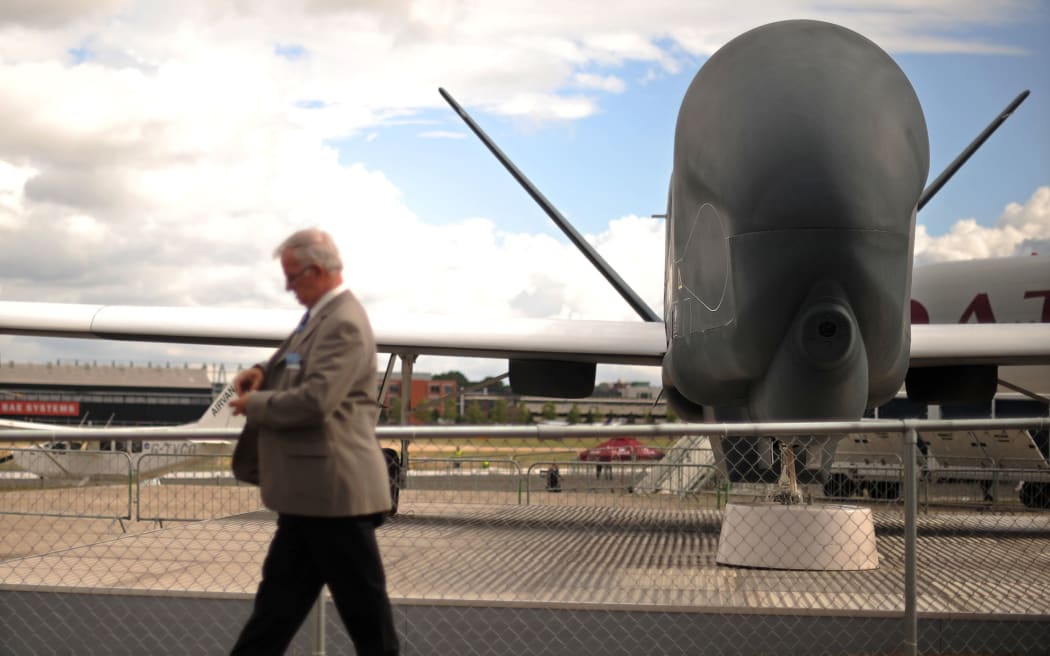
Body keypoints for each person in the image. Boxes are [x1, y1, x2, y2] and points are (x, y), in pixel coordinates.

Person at [228, 228, 399, 656]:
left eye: (292, 277)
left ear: (318, 270)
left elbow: (317, 400)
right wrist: (260, 374)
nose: (288, 287)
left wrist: (256, 405)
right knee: (276, 616)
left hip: (334, 496)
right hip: (314, 495)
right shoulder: (322, 317)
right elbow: (294, 361)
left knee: (365, 622)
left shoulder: (342, 322)